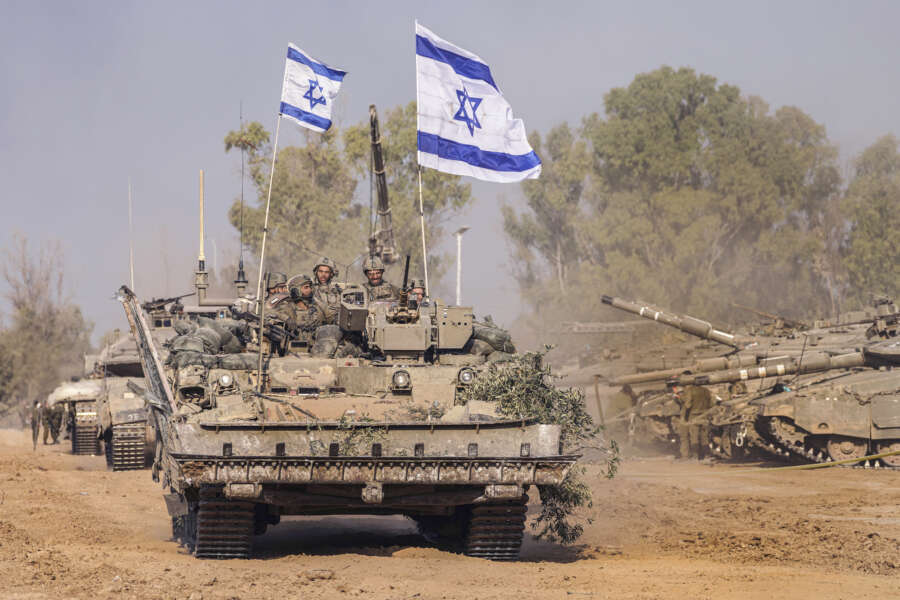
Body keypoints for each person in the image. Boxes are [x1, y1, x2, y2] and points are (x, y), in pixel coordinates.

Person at [675, 384, 714, 460]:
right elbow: (711, 403)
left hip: (694, 416)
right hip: (705, 415)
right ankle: (707, 455)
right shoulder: (706, 390)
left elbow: (688, 405)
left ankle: (695, 456)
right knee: (704, 437)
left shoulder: (690, 390)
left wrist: (683, 416)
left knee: (694, 437)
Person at [311, 257, 342, 325]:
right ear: (316, 272)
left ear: (331, 274)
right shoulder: (309, 290)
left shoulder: (338, 292)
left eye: (326, 272)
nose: (323, 275)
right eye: (320, 271)